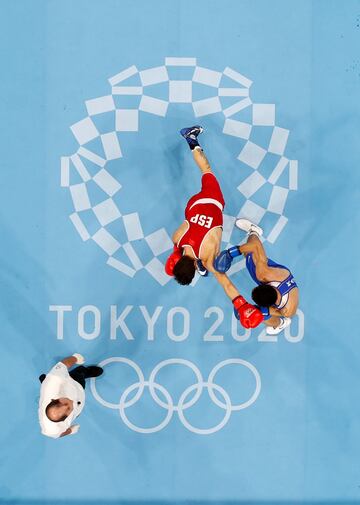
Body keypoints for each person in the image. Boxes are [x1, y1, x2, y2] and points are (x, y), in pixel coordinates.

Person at [166, 126, 264, 329]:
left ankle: (190, 138)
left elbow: (226, 284)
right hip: (194, 204)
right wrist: (179, 252)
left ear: (193, 267)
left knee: (207, 170)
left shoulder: (210, 259)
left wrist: (242, 305)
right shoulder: (177, 239)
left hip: (213, 201)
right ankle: (192, 141)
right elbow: (185, 225)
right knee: (203, 181)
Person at [214, 219, 299, 334]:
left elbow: (280, 312)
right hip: (279, 275)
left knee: (261, 315)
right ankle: (254, 231)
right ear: (264, 285)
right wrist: (231, 253)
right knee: (251, 254)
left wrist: (259, 310)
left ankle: (281, 324)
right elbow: (255, 246)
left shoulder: (288, 311)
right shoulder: (263, 274)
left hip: (281, 288)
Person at [38, 353, 103, 438]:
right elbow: (58, 434)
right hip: (76, 397)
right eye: (68, 408)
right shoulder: (51, 429)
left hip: (72, 383)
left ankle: (85, 371)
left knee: (79, 374)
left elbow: (64, 364)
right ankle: (44, 380)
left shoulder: (54, 381)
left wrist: (75, 358)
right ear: (67, 417)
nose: (71, 403)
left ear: (53, 400)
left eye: (63, 403)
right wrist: (70, 431)